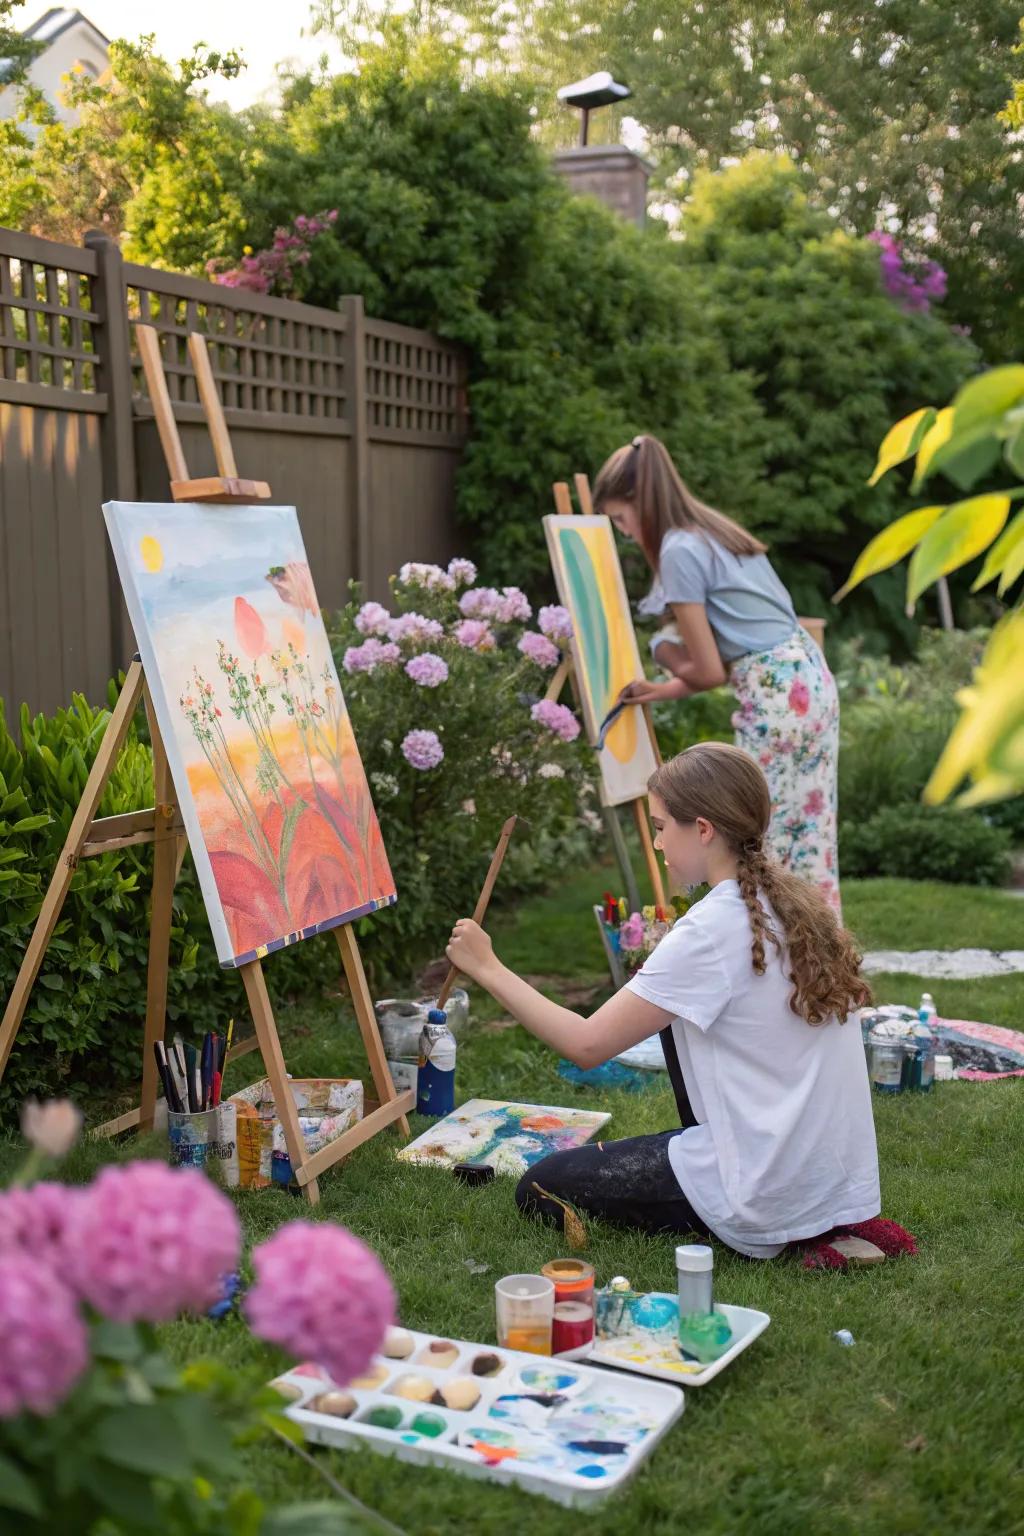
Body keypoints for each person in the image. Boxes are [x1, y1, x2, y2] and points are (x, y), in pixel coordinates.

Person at [445, 743, 879, 1256]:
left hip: (763, 1190)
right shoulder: (792, 903)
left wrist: (487, 967)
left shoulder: (714, 927)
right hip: (821, 1178)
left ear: (702, 829)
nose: (655, 842)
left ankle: (733, 1217)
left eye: (659, 826)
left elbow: (587, 1046)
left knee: (540, 1185)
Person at [594, 433, 841, 912]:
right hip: (805, 676)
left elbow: (709, 670)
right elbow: (729, 656)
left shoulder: (678, 551)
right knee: (809, 839)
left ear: (640, 502)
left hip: (773, 691)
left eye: (621, 518)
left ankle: (774, 968)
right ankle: (822, 972)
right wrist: (664, 690)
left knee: (756, 840)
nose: (623, 531)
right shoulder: (711, 531)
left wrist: (663, 649)